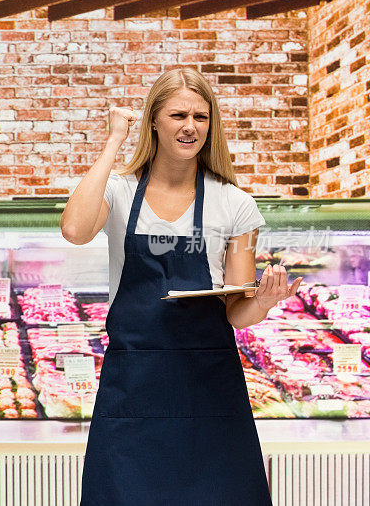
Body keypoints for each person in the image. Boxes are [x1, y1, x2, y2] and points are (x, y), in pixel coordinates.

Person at [61, 67, 301, 505]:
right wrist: (115, 141)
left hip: (210, 390)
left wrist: (263, 303)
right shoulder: (119, 192)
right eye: (177, 115)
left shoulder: (236, 204)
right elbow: (75, 229)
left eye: (201, 117)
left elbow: (237, 310)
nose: (191, 126)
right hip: (132, 387)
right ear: (154, 120)